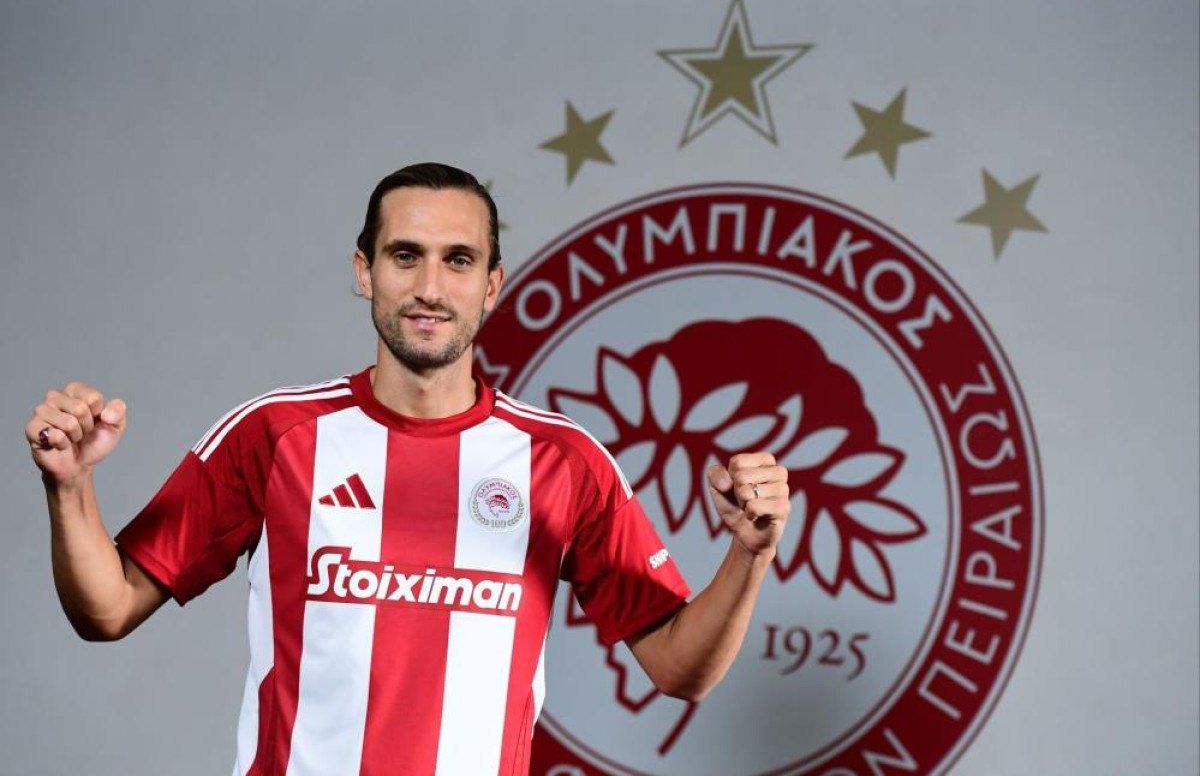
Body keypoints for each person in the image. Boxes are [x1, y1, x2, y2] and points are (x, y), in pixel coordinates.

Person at [26, 162, 792, 776]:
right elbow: (107, 610)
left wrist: (749, 554)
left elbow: (680, 668)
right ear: (365, 270)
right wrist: (70, 486)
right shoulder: (275, 434)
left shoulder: (564, 461)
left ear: (491, 284)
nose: (430, 287)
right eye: (405, 256)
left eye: (458, 260)